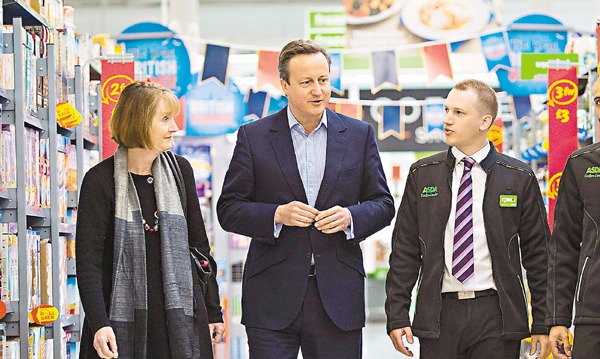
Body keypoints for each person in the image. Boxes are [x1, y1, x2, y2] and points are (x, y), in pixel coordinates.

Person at [217, 39, 395, 358]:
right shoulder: (254, 137)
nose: (318, 90)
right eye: (307, 82)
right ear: (285, 85)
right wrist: (276, 215)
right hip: (271, 297)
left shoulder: (359, 135)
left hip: (338, 297)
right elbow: (229, 209)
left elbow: (383, 204)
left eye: (323, 80)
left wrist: (351, 218)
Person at [385, 79, 550, 359]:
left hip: (497, 316)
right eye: (447, 110)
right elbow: (405, 251)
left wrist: (544, 322)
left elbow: (539, 256)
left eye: (458, 113)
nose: (447, 119)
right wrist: (397, 314)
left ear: (484, 121)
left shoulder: (518, 177)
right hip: (438, 315)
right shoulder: (422, 174)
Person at [76, 81, 224, 359]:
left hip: (180, 319)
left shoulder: (181, 171)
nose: (175, 127)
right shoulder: (99, 181)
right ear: (139, 122)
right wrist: (99, 323)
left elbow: (200, 249)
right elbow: (88, 264)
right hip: (118, 322)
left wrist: (214, 310)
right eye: (165, 118)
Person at [546, 77, 600, 358]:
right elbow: (563, 247)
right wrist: (557, 318)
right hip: (594, 315)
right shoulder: (582, 165)